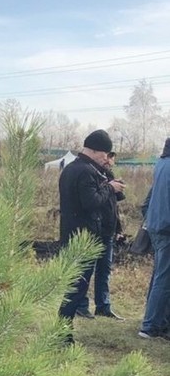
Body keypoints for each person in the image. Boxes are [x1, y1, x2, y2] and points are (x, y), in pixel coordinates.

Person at [58, 130, 125, 338]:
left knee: (75, 286)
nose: (106, 158)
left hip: (73, 233)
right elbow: (91, 202)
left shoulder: (71, 168)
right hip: (84, 238)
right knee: (77, 288)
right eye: (104, 153)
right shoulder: (86, 171)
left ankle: (63, 330)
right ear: (94, 150)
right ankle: (62, 332)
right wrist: (110, 188)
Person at [75, 150, 126, 320]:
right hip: (94, 229)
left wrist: (118, 229)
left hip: (109, 230)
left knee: (104, 270)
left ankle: (103, 306)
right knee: (86, 269)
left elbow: (115, 205)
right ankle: (81, 305)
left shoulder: (108, 175)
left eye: (111, 159)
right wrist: (109, 186)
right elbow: (93, 201)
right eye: (107, 157)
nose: (109, 161)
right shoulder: (91, 174)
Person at [139, 137, 170, 339]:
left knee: (159, 276)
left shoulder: (161, 164)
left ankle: (157, 322)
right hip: (167, 228)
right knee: (163, 279)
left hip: (156, 226)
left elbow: (149, 200)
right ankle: (150, 326)